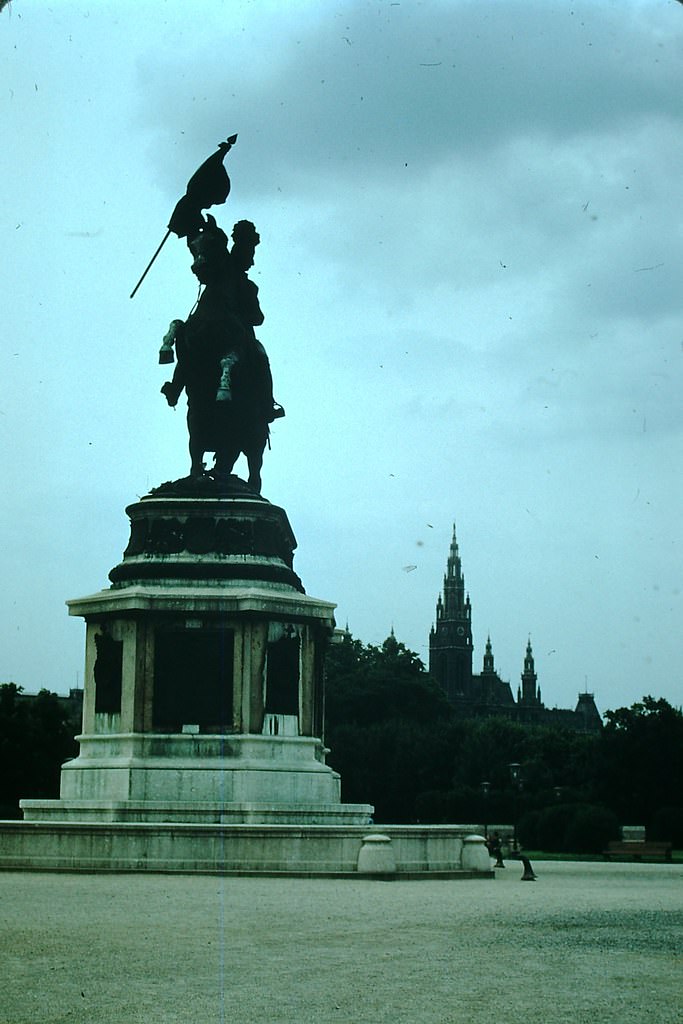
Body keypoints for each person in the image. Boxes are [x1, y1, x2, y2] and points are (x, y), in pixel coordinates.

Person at [160, 219, 282, 488]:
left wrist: (243, 310)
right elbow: (204, 247)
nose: (249, 261)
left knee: (259, 355)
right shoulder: (220, 271)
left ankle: (268, 403)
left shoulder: (246, 285)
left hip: (239, 336)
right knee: (187, 336)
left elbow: (257, 318)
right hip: (211, 339)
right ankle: (175, 386)